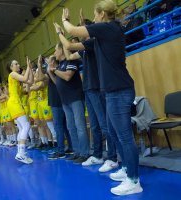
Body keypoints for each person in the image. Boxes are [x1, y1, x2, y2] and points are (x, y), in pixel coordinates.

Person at [60, 0, 142, 195]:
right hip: (112, 91)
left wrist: (65, 20)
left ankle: (134, 180)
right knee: (114, 134)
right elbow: (73, 44)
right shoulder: (102, 35)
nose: (94, 19)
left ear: (102, 15)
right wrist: (68, 30)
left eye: (95, 15)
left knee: (124, 136)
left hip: (120, 90)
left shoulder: (108, 28)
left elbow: (73, 30)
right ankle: (126, 169)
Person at [54, 9, 118, 172]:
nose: (81, 31)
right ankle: (97, 155)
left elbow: (68, 45)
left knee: (104, 125)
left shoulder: (93, 43)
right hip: (88, 89)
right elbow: (68, 55)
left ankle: (112, 157)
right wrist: (76, 27)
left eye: (83, 28)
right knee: (95, 126)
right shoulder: (85, 47)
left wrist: (60, 32)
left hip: (96, 88)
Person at [49, 42, 90, 165]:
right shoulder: (61, 65)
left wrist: (54, 70)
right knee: (71, 128)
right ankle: (77, 152)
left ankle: (85, 153)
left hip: (76, 98)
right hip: (65, 101)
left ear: (62, 50)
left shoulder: (71, 61)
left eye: (56, 50)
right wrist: (51, 72)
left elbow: (67, 76)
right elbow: (57, 83)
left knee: (80, 127)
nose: (55, 53)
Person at [6, 57, 33, 164]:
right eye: (15, 64)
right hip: (14, 103)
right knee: (26, 126)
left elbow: (29, 82)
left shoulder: (16, 80)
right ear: (11, 67)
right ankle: (21, 154)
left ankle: (20, 152)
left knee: (22, 127)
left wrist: (30, 68)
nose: (18, 65)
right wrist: (27, 67)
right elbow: (26, 79)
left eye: (18, 63)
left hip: (14, 103)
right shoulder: (12, 74)